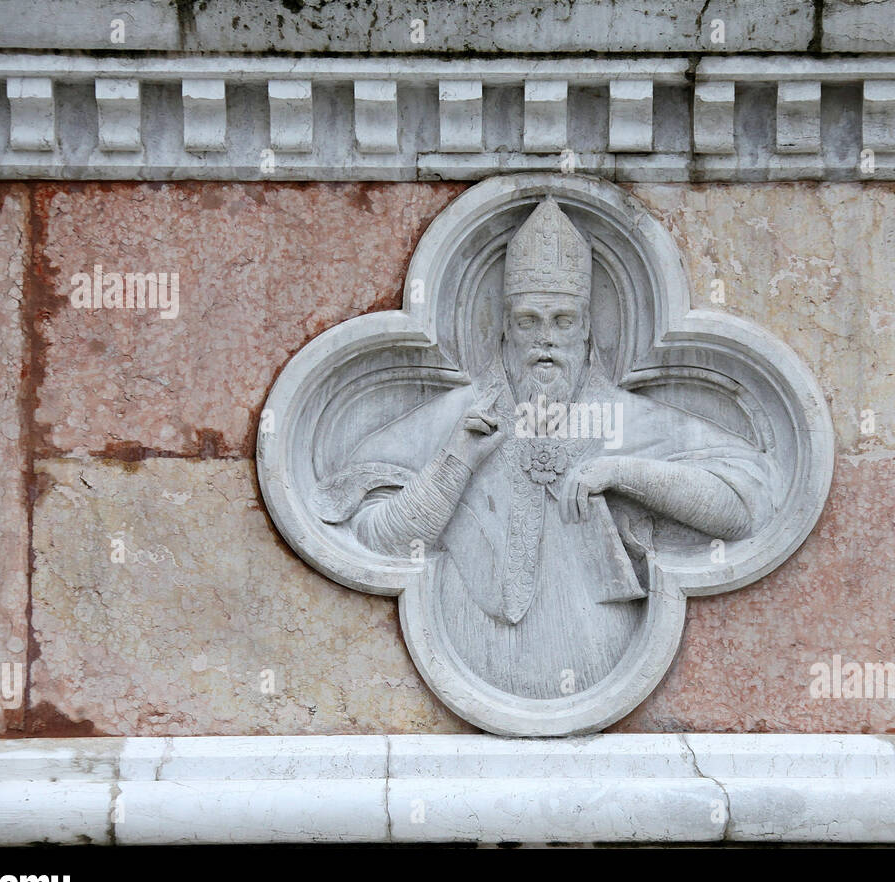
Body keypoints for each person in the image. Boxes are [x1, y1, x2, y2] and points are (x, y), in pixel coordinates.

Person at [315, 197, 780, 698]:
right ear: (504, 328)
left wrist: (624, 473)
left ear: (587, 330)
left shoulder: (631, 420)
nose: (545, 339)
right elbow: (376, 537)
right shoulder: (454, 419)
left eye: (563, 321)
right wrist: (456, 462)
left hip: (615, 675)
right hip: (459, 671)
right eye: (527, 320)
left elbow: (743, 508)